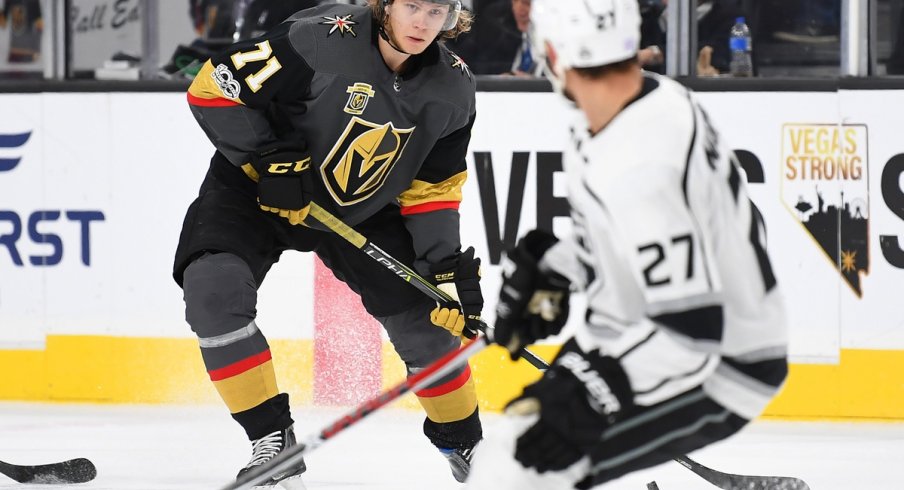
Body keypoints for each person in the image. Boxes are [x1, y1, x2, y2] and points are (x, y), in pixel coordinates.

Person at [466, 0, 789, 488]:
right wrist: (555, 266)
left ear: (553, 52)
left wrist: (591, 395)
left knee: (519, 470)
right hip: (635, 336)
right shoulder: (643, 98)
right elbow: (631, 235)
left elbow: (692, 330)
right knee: (514, 452)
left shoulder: (641, 162)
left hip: (722, 366)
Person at [173, 1, 484, 487]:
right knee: (213, 290)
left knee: (426, 325)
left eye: (438, 9)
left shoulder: (453, 88)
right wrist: (269, 159)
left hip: (358, 209)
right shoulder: (317, 39)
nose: (424, 22)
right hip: (255, 187)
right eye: (412, 6)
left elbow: (433, 190)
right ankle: (274, 448)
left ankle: (466, 443)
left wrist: (443, 269)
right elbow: (213, 87)